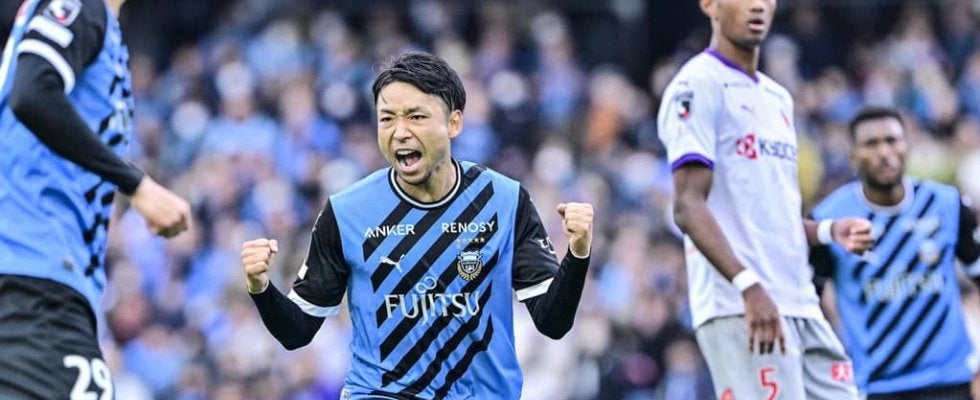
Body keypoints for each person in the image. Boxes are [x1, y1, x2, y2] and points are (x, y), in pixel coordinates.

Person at [241, 51, 595, 399]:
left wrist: (578, 254)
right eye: (387, 119)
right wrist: (261, 287)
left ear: (454, 123)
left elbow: (553, 322)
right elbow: (297, 331)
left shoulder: (505, 201)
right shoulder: (346, 212)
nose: (400, 132)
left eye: (416, 117)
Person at [656, 0, 874, 398]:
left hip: (798, 300)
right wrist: (749, 287)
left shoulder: (778, 98)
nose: (757, 5)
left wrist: (828, 231)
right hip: (740, 304)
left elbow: (770, 216)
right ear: (709, 5)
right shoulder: (697, 85)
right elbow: (687, 206)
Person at [0, 0, 192, 398]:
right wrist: (137, 185)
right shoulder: (82, 5)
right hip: (32, 277)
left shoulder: (100, 31)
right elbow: (32, 92)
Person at [810, 106, 980, 400]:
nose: (884, 152)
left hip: (951, 380)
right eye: (871, 144)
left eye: (892, 141)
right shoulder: (829, 220)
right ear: (852, 156)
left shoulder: (948, 204)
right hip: (877, 386)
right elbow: (810, 300)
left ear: (907, 146)